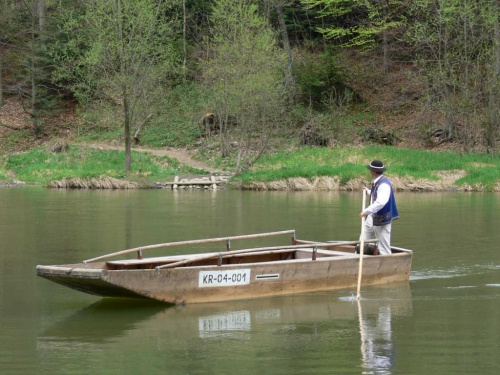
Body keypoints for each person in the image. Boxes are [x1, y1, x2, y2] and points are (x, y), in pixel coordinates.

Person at [360, 160, 399, 255]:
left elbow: (380, 202)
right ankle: (361, 255)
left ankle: (387, 263)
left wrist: (366, 211)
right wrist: (368, 191)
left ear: (373, 172)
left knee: (383, 246)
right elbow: (376, 195)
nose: (370, 172)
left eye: (370, 171)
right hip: (372, 216)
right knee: (362, 240)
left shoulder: (384, 184)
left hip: (383, 218)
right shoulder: (376, 182)